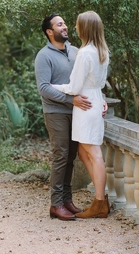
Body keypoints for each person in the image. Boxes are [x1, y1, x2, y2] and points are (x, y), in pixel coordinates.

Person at [52, 11, 110, 219]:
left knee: (93, 154)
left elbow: (75, 86)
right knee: (84, 153)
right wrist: (101, 99)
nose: (74, 28)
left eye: (77, 25)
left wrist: (53, 87)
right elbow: (99, 84)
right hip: (93, 100)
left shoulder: (85, 53)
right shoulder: (102, 50)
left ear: (84, 28)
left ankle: (100, 203)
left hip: (85, 105)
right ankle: (101, 198)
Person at [35, 13, 93, 221]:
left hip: (76, 112)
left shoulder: (76, 52)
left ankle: (67, 201)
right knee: (61, 155)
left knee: (71, 156)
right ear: (50, 32)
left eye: (65, 23)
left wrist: (99, 99)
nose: (65, 27)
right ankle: (56, 204)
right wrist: (71, 101)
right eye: (60, 25)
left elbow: (87, 80)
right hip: (56, 112)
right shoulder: (44, 56)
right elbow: (44, 89)